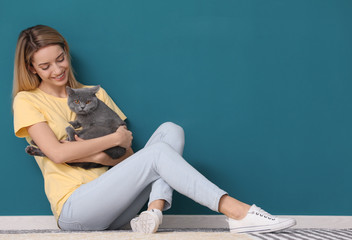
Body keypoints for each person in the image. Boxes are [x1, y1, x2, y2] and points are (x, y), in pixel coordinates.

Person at [12, 25, 296, 234]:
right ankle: (237, 211)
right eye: (45, 66)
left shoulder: (93, 93)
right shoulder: (27, 100)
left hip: (116, 209)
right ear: (32, 68)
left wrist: (104, 153)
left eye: (60, 59)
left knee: (171, 131)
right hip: (75, 210)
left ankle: (153, 213)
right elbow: (57, 154)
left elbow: (126, 155)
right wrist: (109, 143)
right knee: (157, 154)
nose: (57, 70)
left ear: (66, 53)